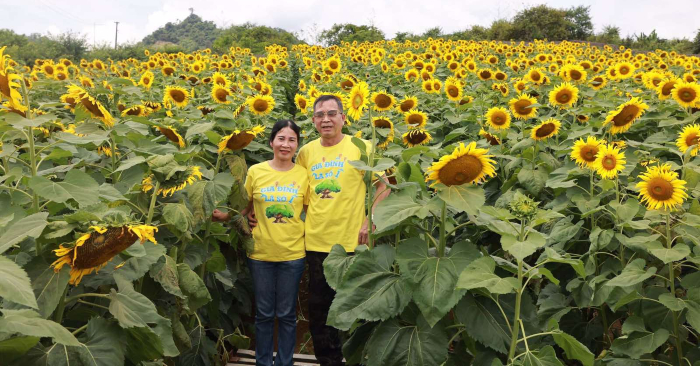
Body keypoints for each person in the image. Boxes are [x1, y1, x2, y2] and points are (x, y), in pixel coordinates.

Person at [248, 95, 390, 366]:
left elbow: (385, 185)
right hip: (315, 243)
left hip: (352, 243)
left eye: (332, 113)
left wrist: (369, 220)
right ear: (313, 120)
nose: (326, 119)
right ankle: (330, 362)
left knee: (356, 309)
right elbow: (288, 183)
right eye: (320, 114)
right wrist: (258, 208)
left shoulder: (361, 147)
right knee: (320, 313)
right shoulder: (306, 153)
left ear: (343, 118)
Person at [213, 119, 307, 366]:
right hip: (260, 253)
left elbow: (311, 210)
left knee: (286, 314)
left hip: (293, 254)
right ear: (271, 142)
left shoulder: (304, 175)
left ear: (297, 145)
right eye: (281, 138)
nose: (286, 144)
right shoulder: (256, 172)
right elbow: (245, 205)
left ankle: (285, 363)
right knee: (264, 314)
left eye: (291, 140)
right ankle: (263, 362)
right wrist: (225, 215)